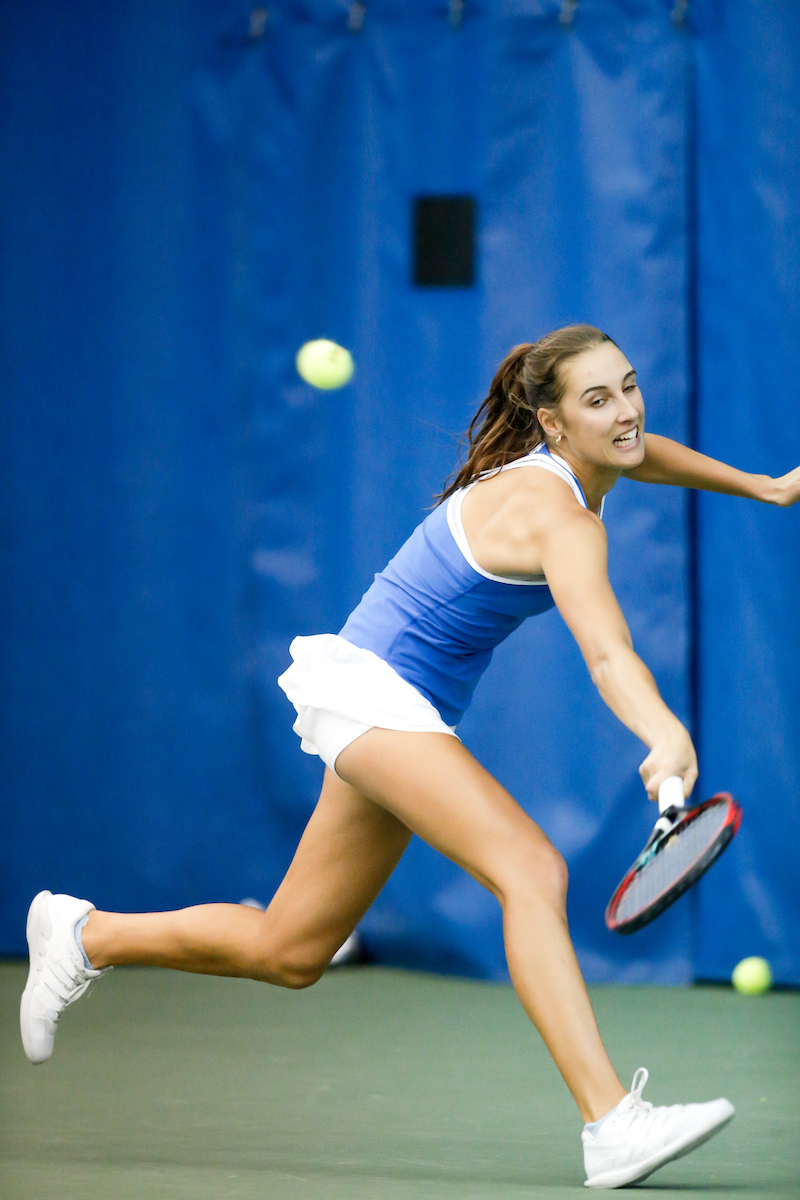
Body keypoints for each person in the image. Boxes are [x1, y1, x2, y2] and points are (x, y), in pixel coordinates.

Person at [21, 325, 800, 1188]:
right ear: (550, 424)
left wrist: (761, 488)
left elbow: (643, 452)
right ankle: (611, 1122)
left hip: (385, 697)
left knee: (291, 950)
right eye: (597, 399)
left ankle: (84, 933)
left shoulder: (587, 459)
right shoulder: (561, 518)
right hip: (373, 694)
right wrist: (660, 730)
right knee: (531, 870)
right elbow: (609, 653)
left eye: (628, 386)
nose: (626, 412)